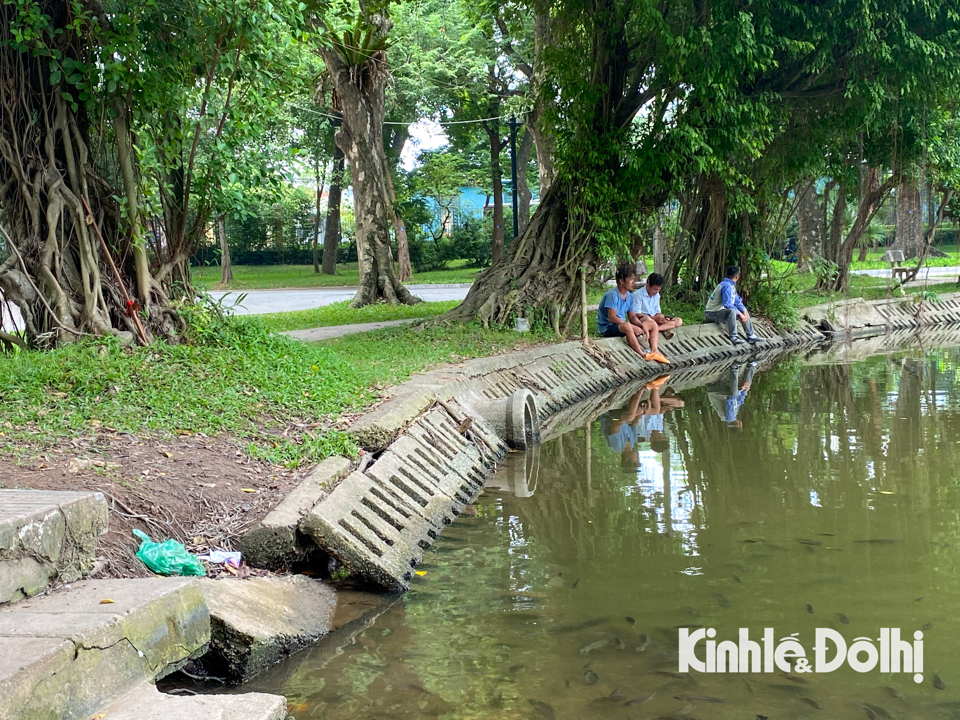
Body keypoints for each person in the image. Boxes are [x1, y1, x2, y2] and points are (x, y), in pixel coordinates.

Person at [598, 264, 669, 364]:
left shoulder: (630, 296)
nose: (633, 283)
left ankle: (654, 350)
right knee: (627, 326)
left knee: (652, 324)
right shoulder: (612, 295)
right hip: (609, 328)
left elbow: (632, 316)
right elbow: (612, 318)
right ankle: (642, 354)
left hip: (622, 325)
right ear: (622, 281)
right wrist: (631, 326)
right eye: (631, 280)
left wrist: (641, 326)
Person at [705, 266, 766, 345]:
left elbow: (737, 302)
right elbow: (727, 304)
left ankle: (751, 336)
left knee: (743, 309)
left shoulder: (731, 286)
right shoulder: (726, 286)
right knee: (732, 311)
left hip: (720, 312)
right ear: (737, 276)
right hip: (711, 314)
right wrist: (740, 315)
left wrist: (743, 312)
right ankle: (733, 337)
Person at [631, 272, 683, 341]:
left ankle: (657, 329)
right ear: (648, 285)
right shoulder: (638, 295)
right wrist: (654, 318)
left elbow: (657, 311)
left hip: (655, 320)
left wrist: (662, 318)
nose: (656, 292)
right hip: (643, 320)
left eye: (658, 289)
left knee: (678, 321)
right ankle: (663, 329)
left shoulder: (657, 295)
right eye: (655, 289)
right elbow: (636, 314)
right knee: (647, 319)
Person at [707, 361, 757, 428]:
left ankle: (734, 368)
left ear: (738, 425)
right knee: (746, 387)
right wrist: (744, 391)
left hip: (715, 391)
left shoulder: (730, 417)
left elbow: (730, 400)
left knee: (734, 393)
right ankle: (751, 365)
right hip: (720, 392)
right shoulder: (733, 415)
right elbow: (739, 401)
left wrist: (740, 390)